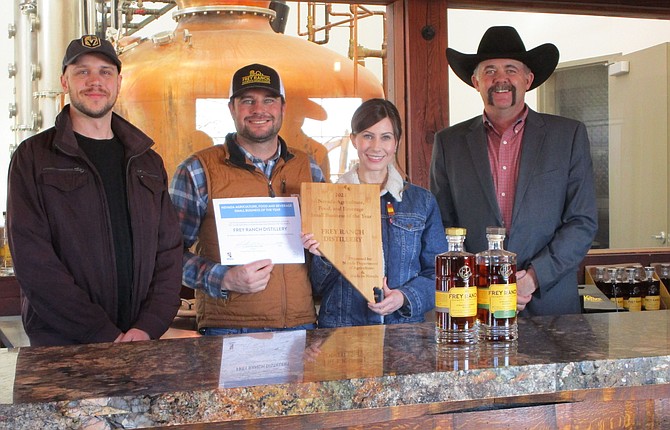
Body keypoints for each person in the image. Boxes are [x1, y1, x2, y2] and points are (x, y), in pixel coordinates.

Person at [7, 35, 183, 346]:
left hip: (138, 342)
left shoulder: (147, 160)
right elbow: (33, 259)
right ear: (64, 81)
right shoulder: (33, 157)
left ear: (118, 82)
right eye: (82, 71)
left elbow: (168, 251)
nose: (94, 81)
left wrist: (148, 327)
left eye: (105, 72)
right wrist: (103, 334)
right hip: (63, 345)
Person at [429, 26, 598, 316]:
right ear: (475, 81)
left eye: (511, 69)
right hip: (476, 304)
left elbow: (582, 221)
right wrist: (479, 280)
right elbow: (442, 225)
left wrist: (534, 277)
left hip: (550, 304)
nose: (500, 79)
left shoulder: (567, 136)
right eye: (490, 70)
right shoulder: (449, 143)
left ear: (528, 79)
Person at [170, 63, 324, 335]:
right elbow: (166, 256)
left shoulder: (308, 167)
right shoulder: (197, 170)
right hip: (227, 328)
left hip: (300, 325)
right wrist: (225, 278)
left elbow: (327, 247)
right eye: (247, 101)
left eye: (268, 100)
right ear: (232, 108)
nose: (258, 110)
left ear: (282, 108)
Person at [301, 98, 446, 327]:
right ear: (354, 140)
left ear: (396, 142)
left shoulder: (421, 202)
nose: (376, 146)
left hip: (403, 336)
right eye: (368, 136)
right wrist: (322, 256)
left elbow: (438, 273)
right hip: (342, 335)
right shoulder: (327, 202)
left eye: (386, 137)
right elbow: (316, 286)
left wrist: (404, 297)